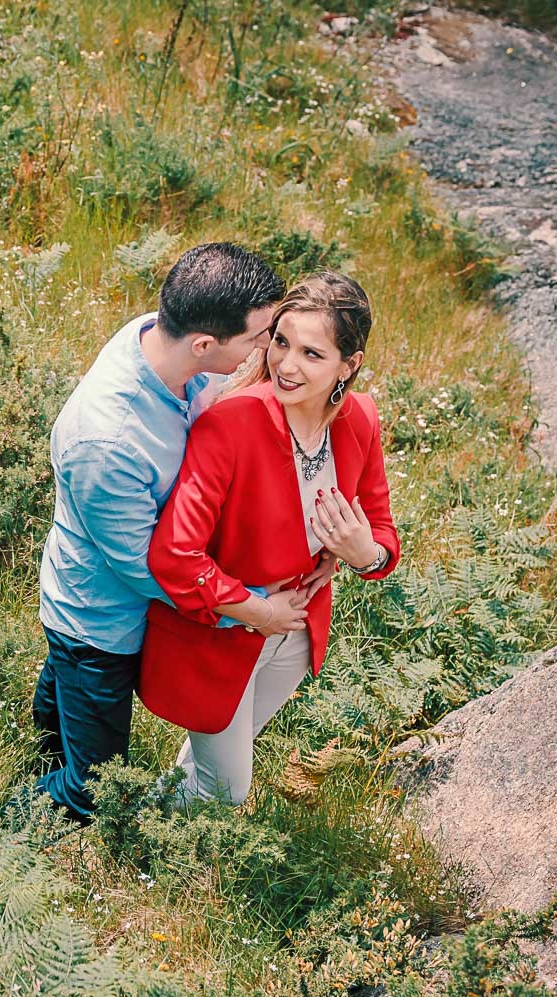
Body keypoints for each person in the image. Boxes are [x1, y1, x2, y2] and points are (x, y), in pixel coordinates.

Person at [26, 242, 290, 823]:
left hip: (85, 585)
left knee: (56, 723)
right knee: (94, 789)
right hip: (98, 622)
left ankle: (39, 761)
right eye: (256, 338)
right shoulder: (110, 442)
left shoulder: (155, 339)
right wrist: (248, 609)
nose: (265, 349)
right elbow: (146, 569)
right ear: (204, 344)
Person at [140, 271, 401, 804]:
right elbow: (175, 555)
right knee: (228, 789)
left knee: (210, 760)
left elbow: (381, 531)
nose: (285, 365)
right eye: (281, 342)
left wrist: (363, 555)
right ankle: (140, 842)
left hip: (299, 635)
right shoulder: (230, 425)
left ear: (347, 366)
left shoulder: (361, 421)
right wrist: (258, 612)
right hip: (225, 633)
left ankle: (150, 829)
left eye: (311, 353)